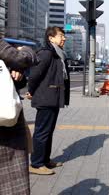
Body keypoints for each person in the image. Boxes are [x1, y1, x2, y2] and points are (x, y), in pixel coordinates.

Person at [27, 27, 70, 175]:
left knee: (48, 131)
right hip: (46, 98)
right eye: (60, 36)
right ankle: (36, 164)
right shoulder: (46, 53)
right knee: (42, 132)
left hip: (54, 98)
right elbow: (34, 75)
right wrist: (30, 91)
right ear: (51, 38)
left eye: (64, 36)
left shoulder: (58, 54)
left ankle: (45, 160)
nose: (64, 39)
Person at [0, 38, 37, 195]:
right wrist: (24, 49)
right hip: (5, 132)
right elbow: (24, 58)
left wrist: (15, 71)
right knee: (11, 183)